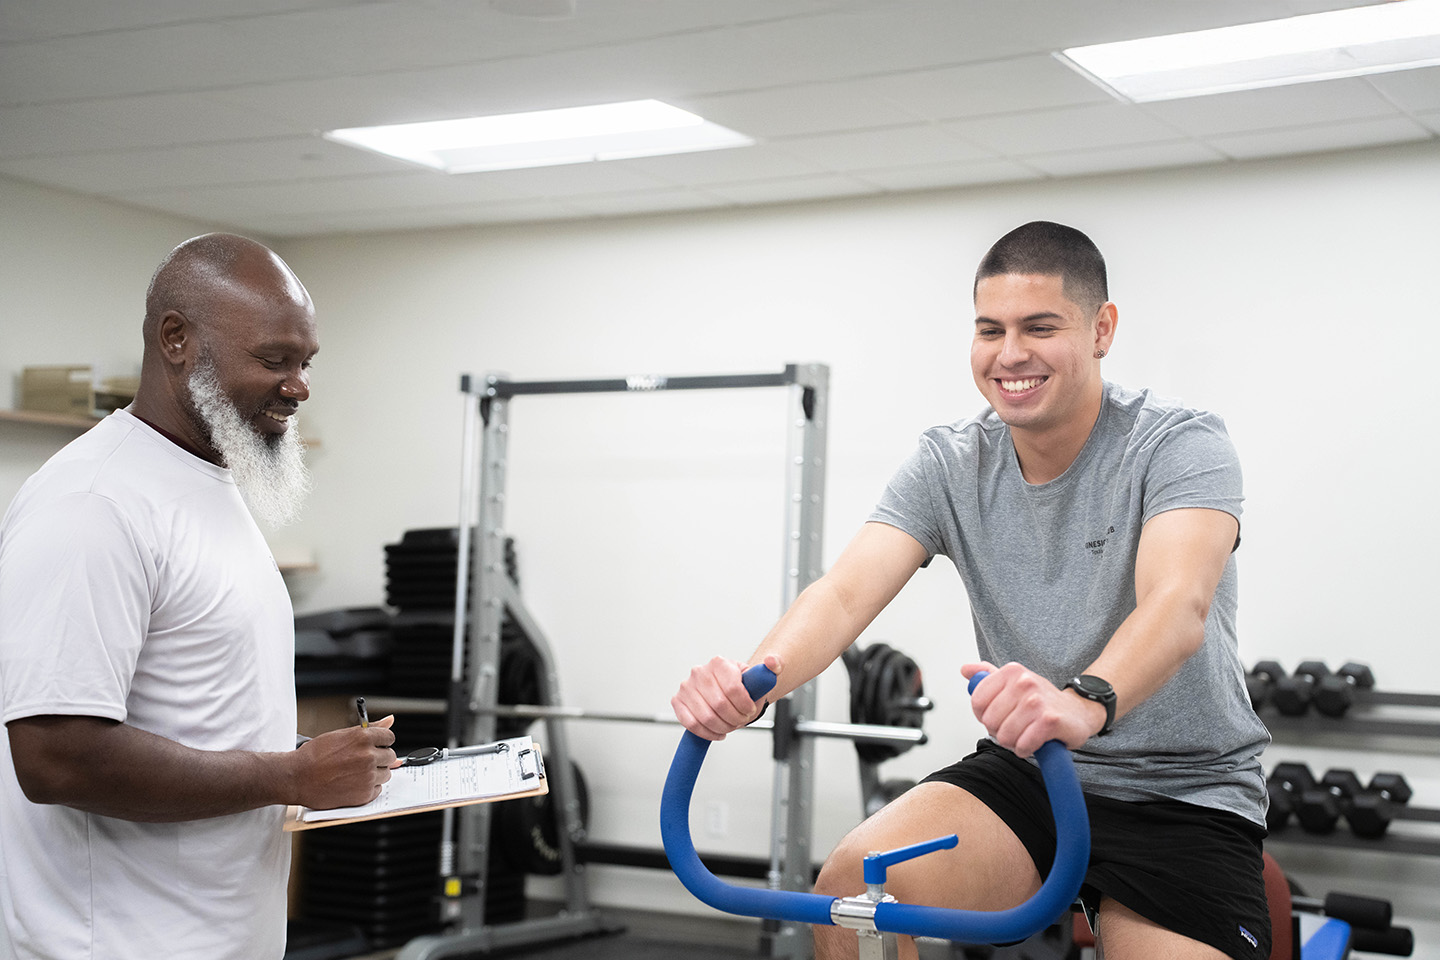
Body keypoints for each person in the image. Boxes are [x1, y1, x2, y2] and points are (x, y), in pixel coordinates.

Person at [672, 221, 1271, 960]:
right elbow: (842, 596)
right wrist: (750, 683)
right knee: (855, 900)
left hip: (1181, 794)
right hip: (1030, 779)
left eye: (1039, 327)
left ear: (1101, 329)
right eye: (990, 329)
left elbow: (1176, 607)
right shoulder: (950, 462)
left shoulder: (1179, 444)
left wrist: (1082, 703)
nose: (1010, 354)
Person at [0, 234, 397, 960]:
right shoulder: (93, 503)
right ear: (176, 339)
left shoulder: (206, 480)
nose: (299, 386)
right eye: (274, 359)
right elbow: (56, 757)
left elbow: (194, 709)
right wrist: (291, 774)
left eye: (305, 363)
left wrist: (315, 759)